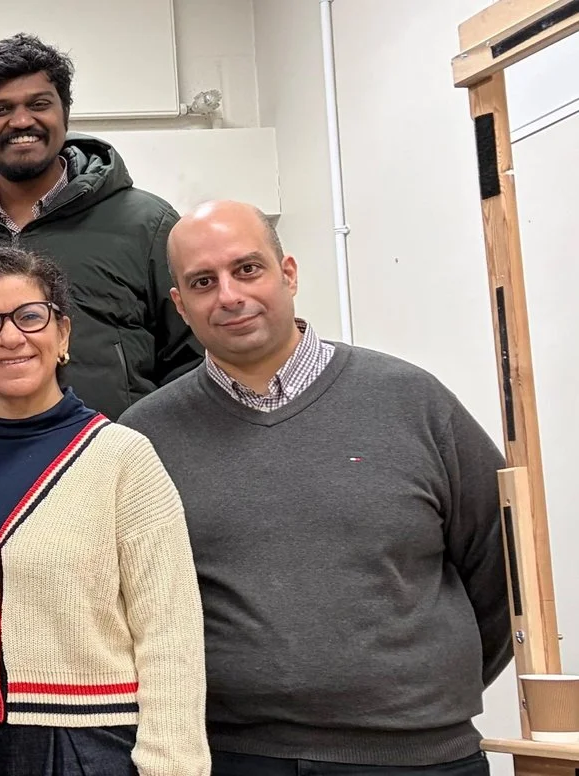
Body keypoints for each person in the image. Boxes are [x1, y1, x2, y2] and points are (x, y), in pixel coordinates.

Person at [121, 201, 509, 776]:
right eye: (203, 282)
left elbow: (504, 565)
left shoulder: (412, 402)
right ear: (180, 304)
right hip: (232, 758)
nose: (228, 295)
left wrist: (418, 691)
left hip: (418, 759)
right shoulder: (145, 438)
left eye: (247, 269)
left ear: (290, 273)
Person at [0, 245, 205, 775]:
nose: (10, 338)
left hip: (93, 751)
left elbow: (171, 637)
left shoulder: (123, 460)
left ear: (64, 335)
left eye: (30, 317)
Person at [0, 34, 194, 422]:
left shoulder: (147, 226)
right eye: (0, 109)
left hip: (119, 470)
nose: (21, 121)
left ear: (65, 113)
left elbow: (192, 361)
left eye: (39, 104)